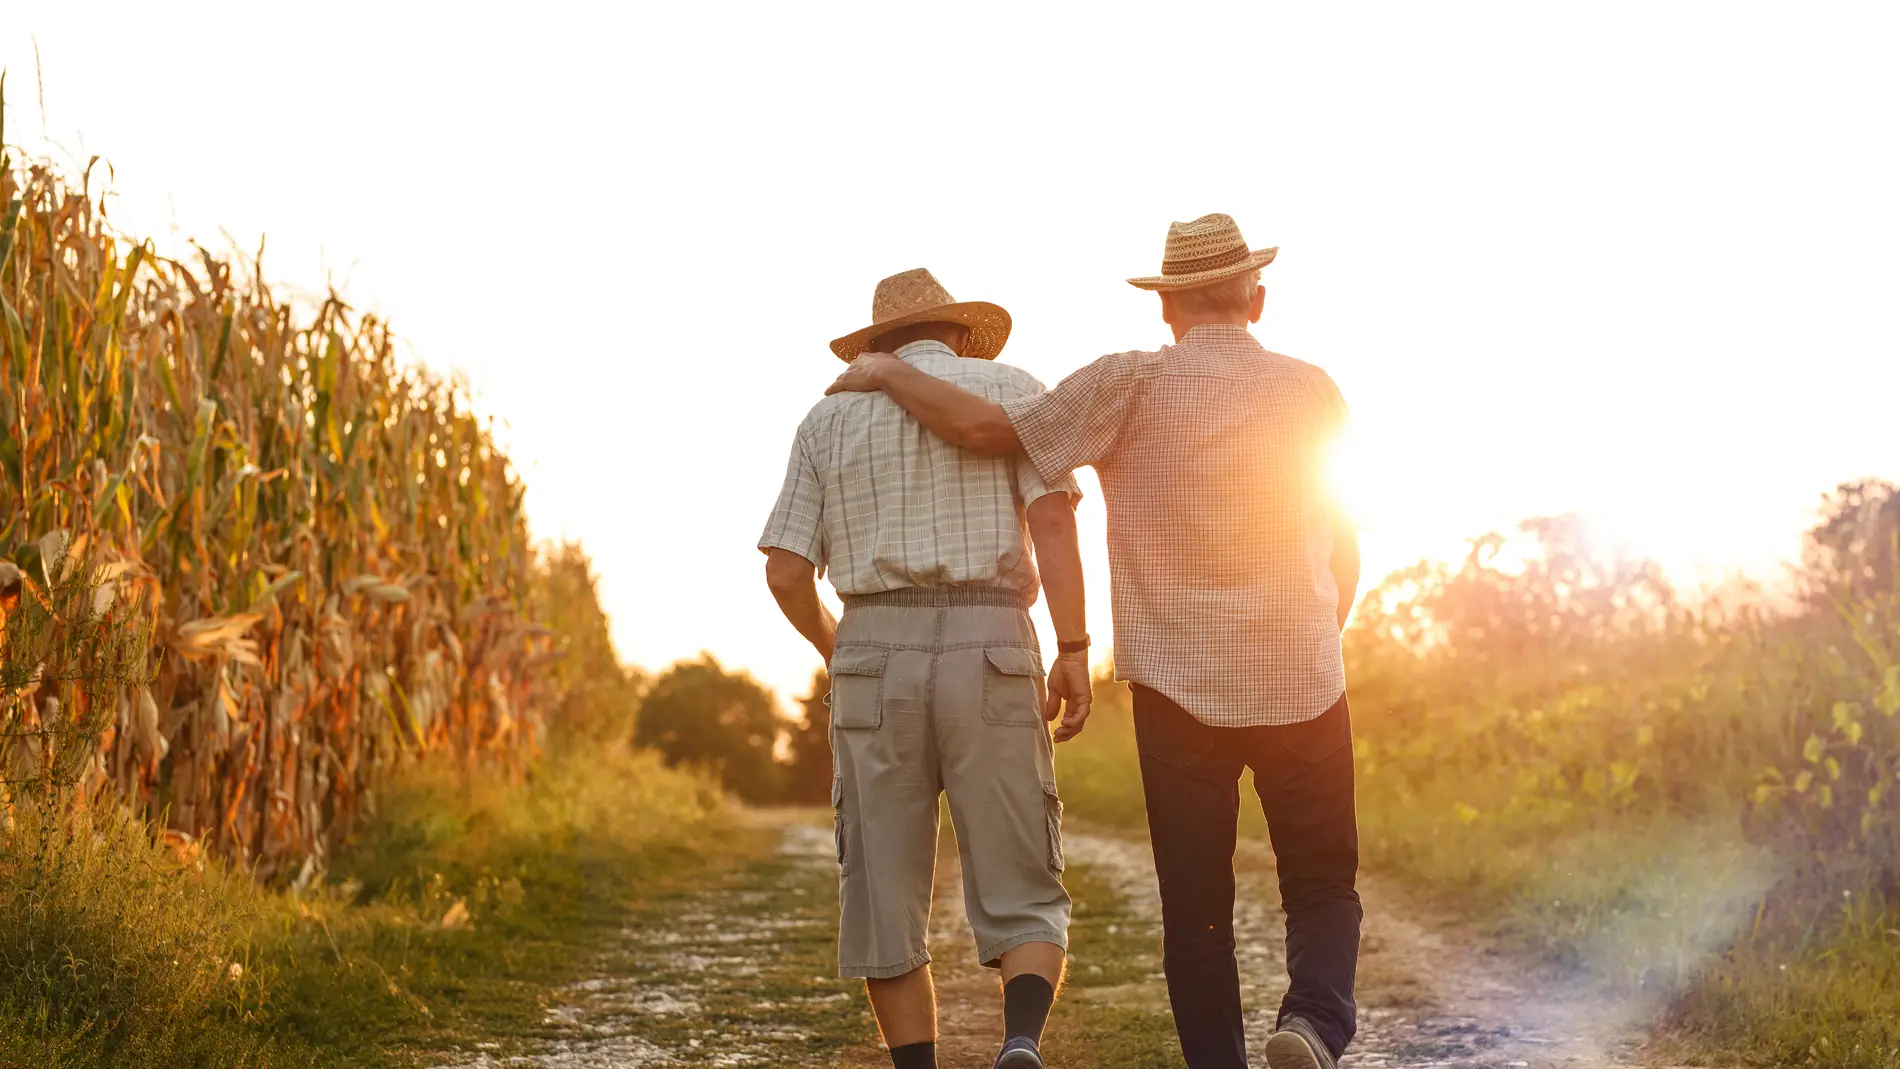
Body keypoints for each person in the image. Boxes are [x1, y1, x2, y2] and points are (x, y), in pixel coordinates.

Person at [827, 215, 1362, 1069]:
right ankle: (1313, 1021)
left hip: (1177, 686)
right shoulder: (1312, 389)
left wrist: (888, 368)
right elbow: (1344, 542)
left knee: (1197, 908)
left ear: (1167, 311)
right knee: (1325, 880)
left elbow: (983, 431)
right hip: (1304, 672)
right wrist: (1315, 636)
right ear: (1256, 299)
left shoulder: (1125, 385)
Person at [759, 267, 1095, 1069]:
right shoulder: (1012, 389)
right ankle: (1018, 1039)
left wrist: (838, 647)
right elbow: (1052, 515)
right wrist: (1076, 648)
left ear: (877, 345)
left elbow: (782, 568)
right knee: (1024, 881)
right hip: (992, 637)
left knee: (884, 894)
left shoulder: (827, 419)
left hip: (873, 643)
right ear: (960, 335)